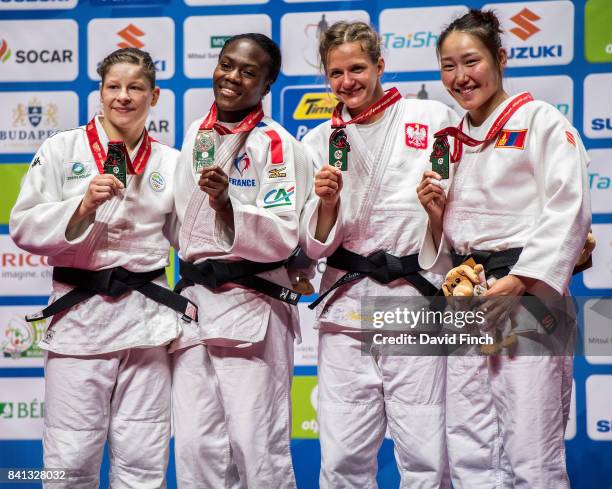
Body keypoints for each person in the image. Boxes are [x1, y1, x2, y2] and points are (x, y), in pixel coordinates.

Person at [416, 9, 590, 489]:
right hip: (469, 295)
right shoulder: (450, 143)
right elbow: (452, 241)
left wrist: (520, 281)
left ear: (500, 58)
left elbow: (568, 210)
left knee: (532, 450)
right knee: (470, 444)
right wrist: (435, 219)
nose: (459, 77)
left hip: (528, 294)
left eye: (470, 61)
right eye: (447, 66)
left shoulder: (542, 121)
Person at [10, 47, 189, 488]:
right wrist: (82, 204)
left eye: (135, 88)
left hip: (146, 325)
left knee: (144, 460)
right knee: (68, 461)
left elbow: (192, 239)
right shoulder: (61, 149)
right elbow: (24, 226)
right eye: (114, 87)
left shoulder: (171, 162)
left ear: (155, 96)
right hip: (80, 323)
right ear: (100, 92)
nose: (123, 97)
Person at [301, 21, 459, 489]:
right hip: (347, 308)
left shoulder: (433, 118)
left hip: (414, 303)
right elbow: (312, 247)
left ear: (380, 66)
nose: (346, 81)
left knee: (425, 451)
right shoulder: (318, 141)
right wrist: (327, 205)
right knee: (344, 453)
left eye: (357, 68)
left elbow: (462, 206)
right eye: (335, 73)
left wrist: (437, 214)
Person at [170, 33, 310, 489]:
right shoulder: (197, 131)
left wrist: (228, 204)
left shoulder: (277, 144)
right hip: (193, 306)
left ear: (266, 86)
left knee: (257, 446)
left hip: (252, 304)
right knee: (195, 445)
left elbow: (285, 231)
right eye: (226, 64)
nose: (232, 77)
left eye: (248, 72)